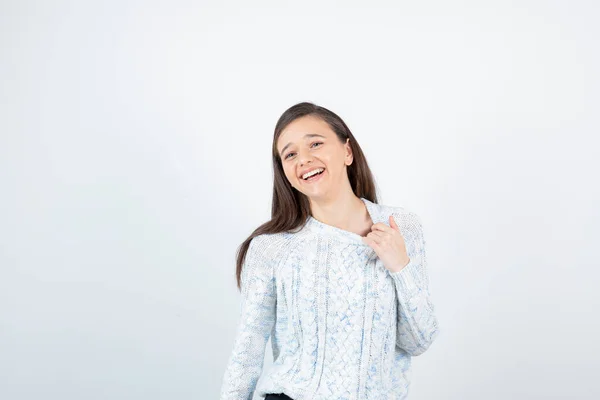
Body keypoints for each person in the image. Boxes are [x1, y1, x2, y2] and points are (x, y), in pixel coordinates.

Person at [219, 102, 440, 400]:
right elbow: (248, 348)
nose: (305, 160)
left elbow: (419, 341)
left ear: (347, 152)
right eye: (291, 154)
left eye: (315, 144)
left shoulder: (399, 226)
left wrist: (400, 267)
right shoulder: (272, 248)